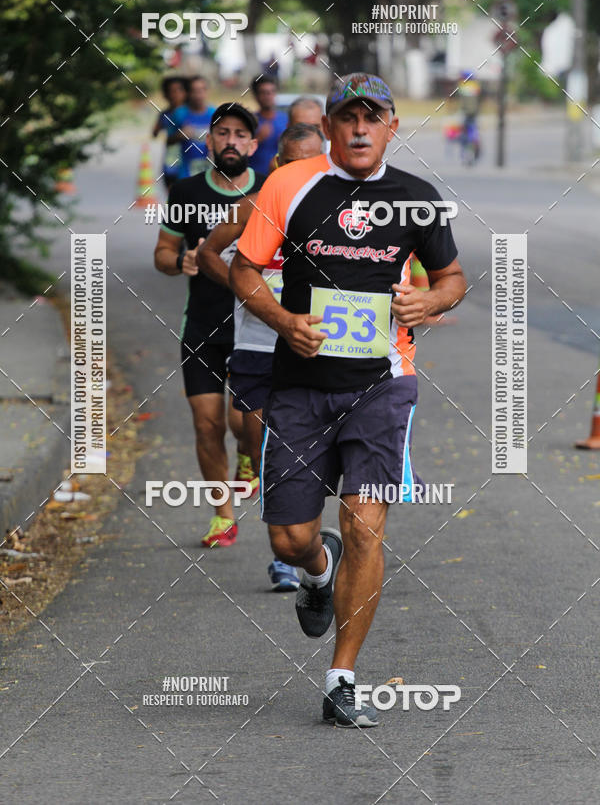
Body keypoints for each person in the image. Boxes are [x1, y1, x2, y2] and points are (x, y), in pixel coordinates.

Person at [230, 73, 467, 727]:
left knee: (367, 524)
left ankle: (342, 678)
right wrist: (282, 321)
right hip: (302, 384)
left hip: (382, 383)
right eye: (348, 117)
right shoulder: (289, 185)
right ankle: (314, 569)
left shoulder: (417, 198)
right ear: (329, 126)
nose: (361, 128)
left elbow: (452, 277)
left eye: (374, 117)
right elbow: (244, 268)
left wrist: (433, 299)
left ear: (393, 126)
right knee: (289, 537)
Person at [197, 123, 326, 589]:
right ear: (276, 164)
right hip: (255, 347)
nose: (299, 174)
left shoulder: (335, 213)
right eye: (291, 164)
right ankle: (297, 538)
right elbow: (211, 252)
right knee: (259, 446)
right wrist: (242, 288)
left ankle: (291, 552)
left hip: (310, 347)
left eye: (309, 165)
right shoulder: (252, 207)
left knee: (296, 450)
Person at [154, 103, 265, 548]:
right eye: (223, 133)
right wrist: (179, 260)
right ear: (210, 141)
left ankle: (247, 458)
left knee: (244, 424)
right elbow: (161, 254)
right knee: (206, 424)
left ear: (253, 144)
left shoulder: (269, 194)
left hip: (254, 328)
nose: (232, 141)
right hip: (201, 327)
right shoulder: (184, 192)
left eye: (241, 134)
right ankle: (223, 515)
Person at [152, 77, 188, 190]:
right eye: (172, 91)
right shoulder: (165, 114)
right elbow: (155, 133)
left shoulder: (190, 112)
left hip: (189, 163)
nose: (175, 94)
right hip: (171, 163)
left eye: (179, 90)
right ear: (166, 95)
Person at [248, 75, 287, 177]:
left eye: (271, 92)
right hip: (254, 179)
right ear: (255, 96)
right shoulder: (249, 121)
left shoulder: (286, 119)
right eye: (264, 93)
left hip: (280, 179)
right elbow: (239, 153)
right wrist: (258, 138)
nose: (268, 96)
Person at [178, 76, 215, 178]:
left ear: (207, 91)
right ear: (188, 93)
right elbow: (168, 141)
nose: (198, 95)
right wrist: (179, 135)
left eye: (201, 90)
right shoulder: (180, 113)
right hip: (186, 172)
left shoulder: (214, 113)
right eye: (194, 91)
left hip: (209, 172)